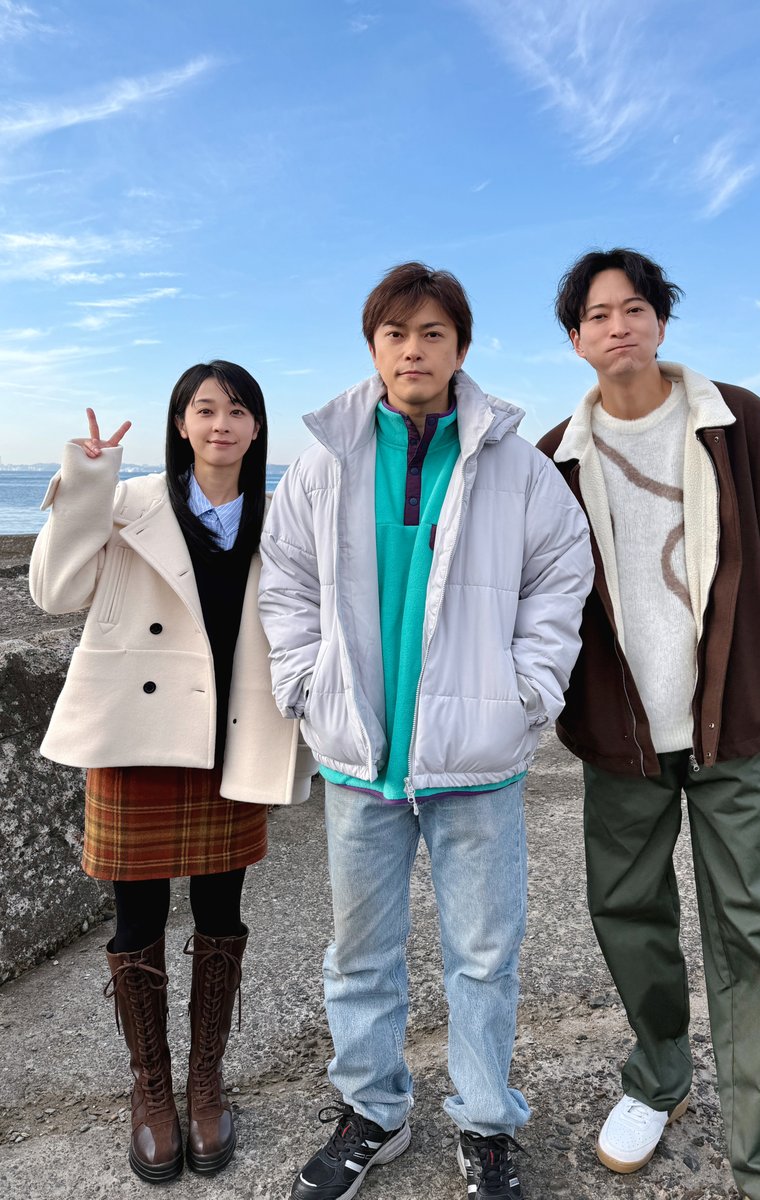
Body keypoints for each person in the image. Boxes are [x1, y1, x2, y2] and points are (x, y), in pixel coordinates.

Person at [258, 262, 593, 1200]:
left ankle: (486, 1125)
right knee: (358, 955)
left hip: (477, 760)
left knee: (483, 957)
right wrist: (304, 683)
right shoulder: (323, 461)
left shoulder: (516, 464)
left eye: (433, 333)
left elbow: (560, 576)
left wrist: (529, 691)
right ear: (373, 347)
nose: (414, 349)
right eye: (396, 333)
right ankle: (374, 1110)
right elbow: (284, 581)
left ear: (461, 348)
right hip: (360, 753)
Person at [536, 248, 760, 1199]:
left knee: (758, 934)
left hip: (735, 727)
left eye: (635, 308)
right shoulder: (554, 458)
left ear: (661, 321)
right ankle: (658, 1075)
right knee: (627, 916)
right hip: (620, 733)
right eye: (597, 315)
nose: (617, 326)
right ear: (575, 339)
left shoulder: (743, 425)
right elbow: (532, 586)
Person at [30, 362, 314, 1184]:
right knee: (137, 915)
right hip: (139, 736)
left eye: (238, 410)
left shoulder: (281, 515)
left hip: (235, 734)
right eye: (205, 409)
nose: (221, 423)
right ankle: (151, 1088)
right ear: (181, 424)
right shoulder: (128, 503)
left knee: (222, 913)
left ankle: (205, 1082)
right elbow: (52, 591)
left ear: (257, 428)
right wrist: (87, 484)